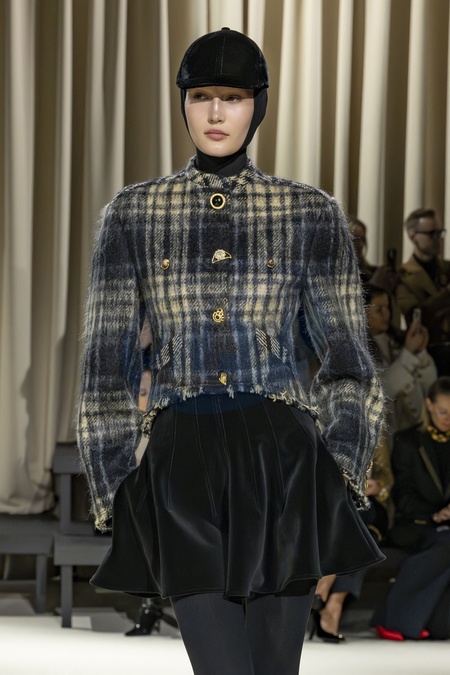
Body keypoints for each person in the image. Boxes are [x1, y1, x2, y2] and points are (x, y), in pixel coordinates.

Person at [77, 28, 384, 674]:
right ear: (183, 103)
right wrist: (116, 481)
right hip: (182, 458)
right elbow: (106, 364)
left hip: (285, 462)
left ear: (258, 105)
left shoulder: (308, 212)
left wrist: (342, 466)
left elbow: (349, 361)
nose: (216, 113)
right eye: (202, 96)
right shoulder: (134, 213)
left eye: (235, 97)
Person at [373, 376, 450, 641]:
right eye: (443, 411)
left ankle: (433, 623)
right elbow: (403, 495)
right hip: (416, 525)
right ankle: (393, 619)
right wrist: (435, 514)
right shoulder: (409, 441)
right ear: (429, 405)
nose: (448, 419)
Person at [309, 434, 394, 643]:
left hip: (368, 508)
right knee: (360, 537)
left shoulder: (374, 433)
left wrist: (379, 487)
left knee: (361, 525)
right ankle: (333, 606)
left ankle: (325, 586)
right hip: (335, 506)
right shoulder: (325, 430)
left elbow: (388, 480)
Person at [364, 283, 437, 442]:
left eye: (388, 307)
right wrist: (409, 353)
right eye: (379, 310)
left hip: (415, 426)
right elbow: (382, 389)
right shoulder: (358, 350)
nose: (387, 314)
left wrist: (420, 353)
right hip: (387, 437)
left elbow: (430, 383)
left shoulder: (396, 341)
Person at [395, 208, 450, 376]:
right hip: (428, 353)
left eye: (440, 233)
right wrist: (446, 294)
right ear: (413, 236)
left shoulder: (446, 268)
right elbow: (416, 314)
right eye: (431, 234)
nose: (437, 239)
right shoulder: (402, 275)